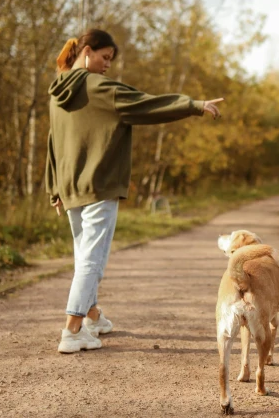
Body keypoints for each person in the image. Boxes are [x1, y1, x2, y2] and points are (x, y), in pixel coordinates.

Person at [45, 28, 223, 354]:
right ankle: (72, 331)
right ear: (87, 51)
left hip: (70, 189)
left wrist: (53, 187)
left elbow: (53, 142)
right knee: (91, 260)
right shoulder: (99, 88)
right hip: (99, 186)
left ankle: (93, 318)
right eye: (105, 57)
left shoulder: (57, 92)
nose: (107, 65)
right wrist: (193, 105)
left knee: (85, 255)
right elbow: (145, 105)